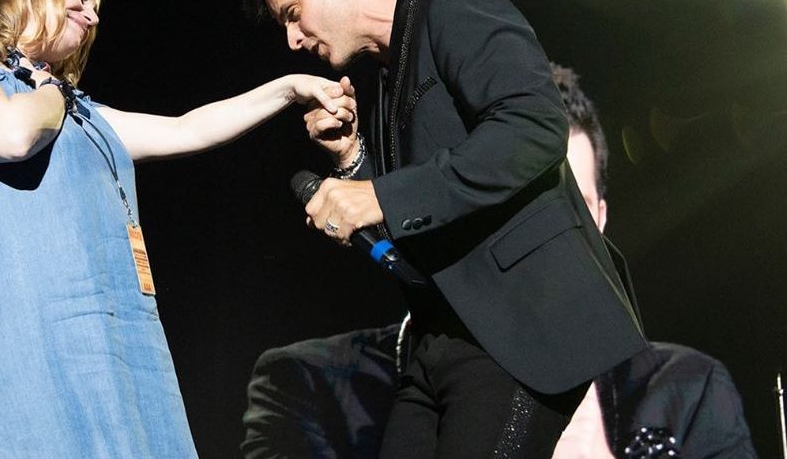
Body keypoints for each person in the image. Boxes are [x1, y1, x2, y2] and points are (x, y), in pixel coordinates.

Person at [0, 0, 355, 457]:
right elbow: (14, 135)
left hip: (121, 342)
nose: (92, 16)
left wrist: (288, 89)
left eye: (97, 7)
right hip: (33, 344)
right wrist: (51, 89)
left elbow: (189, 129)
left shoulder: (77, 113)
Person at [244, 0, 646, 457]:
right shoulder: (385, 75)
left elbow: (534, 127)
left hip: (519, 332)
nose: (292, 39)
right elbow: (420, 216)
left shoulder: (454, 4)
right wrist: (353, 159)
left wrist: (378, 194)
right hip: (438, 341)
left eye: (293, 13)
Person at [240, 64, 757, 459]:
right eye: (509, 206)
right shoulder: (315, 381)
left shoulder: (687, 387)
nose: (537, 240)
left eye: (563, 212)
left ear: (598, 219)